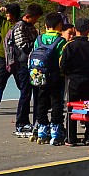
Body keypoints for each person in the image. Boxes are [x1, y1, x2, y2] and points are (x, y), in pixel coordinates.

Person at [60, 17, 89, 145]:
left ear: (75, 30)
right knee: (88, 107)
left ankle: (71, 137)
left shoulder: (70, 46)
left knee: (71, 108)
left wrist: (68, 73)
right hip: (88, 78)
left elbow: (63, 64)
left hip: (74, 79)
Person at [29, 12, 67, 145]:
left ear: (46, 25)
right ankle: (56, 129)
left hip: (40, 75)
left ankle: (42, 128)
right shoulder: (61, 41)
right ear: (60, 25)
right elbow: (62, 60)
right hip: (56, 76)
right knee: (56, 102)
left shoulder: (39, 39)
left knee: (42, 101)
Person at [9, 3, 43, 137]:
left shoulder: (31, 27)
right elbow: (23, 46)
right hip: (23, 64)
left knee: (36, 93)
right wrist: (37, 44)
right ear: (28, 16)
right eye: (35, 18)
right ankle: (21, 122)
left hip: (33, 64)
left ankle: (36, 121)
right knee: (25, 93)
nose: (36, 21)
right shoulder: (19, 27)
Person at [0, 3, 21, 110]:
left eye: (9, 13)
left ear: (14, 14)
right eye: (6, 12)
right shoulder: (3, 23)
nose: (6, 14)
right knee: (0, 79)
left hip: (17, 58)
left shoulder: (20, 25)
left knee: (20, 81)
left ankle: (24, 99)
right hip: (4, 57)